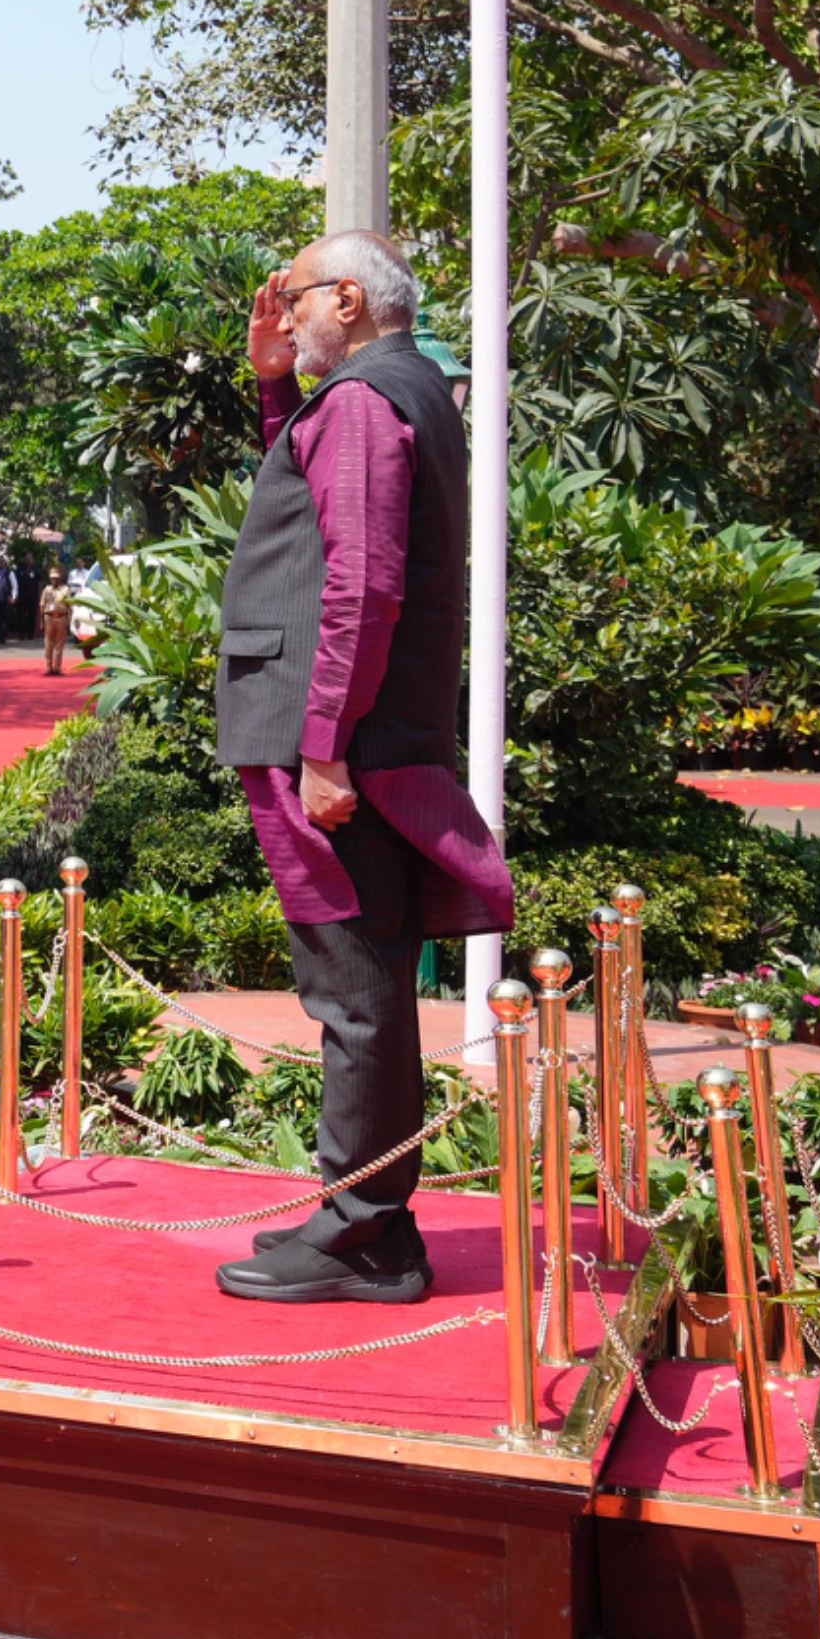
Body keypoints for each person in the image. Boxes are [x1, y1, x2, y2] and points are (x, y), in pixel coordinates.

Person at [211, 231, 514, 1308]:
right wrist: (272, 384)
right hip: (361, 733)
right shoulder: (400, 390)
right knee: (361, 976)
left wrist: (324, 744)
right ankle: (367, 1216)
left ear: (347, 296)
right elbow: (312, 515)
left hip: (336, 743)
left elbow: (361, 585)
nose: (283, 313)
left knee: (354, 984)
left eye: (293, 297)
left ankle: (365, 1233)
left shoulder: (363, 400)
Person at [41, 568, 78, 678]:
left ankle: (57, 667)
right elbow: (42, 605)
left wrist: (70, 621)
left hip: (62, 617)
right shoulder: (47, 590)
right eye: (52, 578)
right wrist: (41, 621)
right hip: (49, 617)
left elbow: (70, 606)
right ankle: (48, 667)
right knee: (48, 643)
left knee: (59, 644)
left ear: (59, 578)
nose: (54, 580)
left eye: (56, 578)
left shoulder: (65, 590)